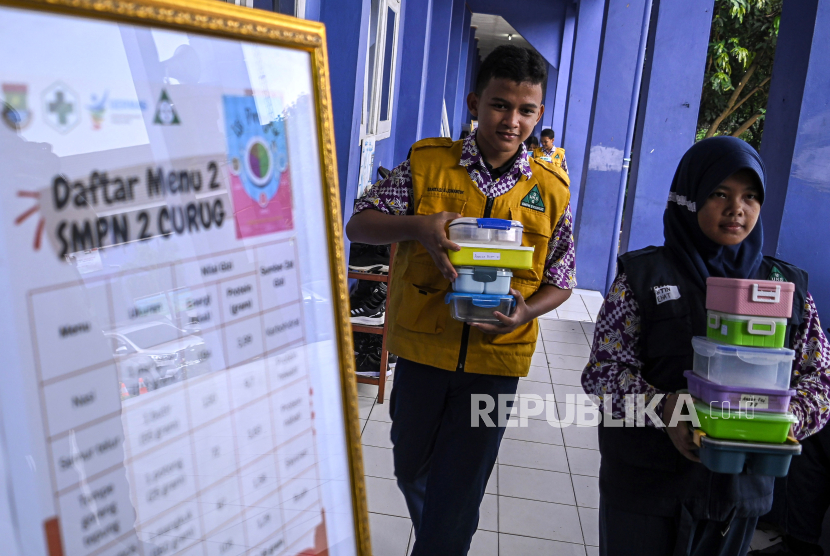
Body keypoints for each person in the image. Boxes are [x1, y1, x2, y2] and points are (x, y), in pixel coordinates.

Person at [346, 45, 576, 555]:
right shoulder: (429, 165)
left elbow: (562, 277)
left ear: (540, 114)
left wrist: (527, 310)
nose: (511, 121)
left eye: (526, 110)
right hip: (423, 351)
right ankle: (441, 537)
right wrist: (418, 228)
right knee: (411, 469)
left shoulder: (551, 189)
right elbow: (358, 223)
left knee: (461, 490)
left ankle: (440, 543)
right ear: (474, 103)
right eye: (499, 104)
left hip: (496, 359)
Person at [580, 136, 830, 556]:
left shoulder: (785, 288)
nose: (738, 209)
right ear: (689, 198)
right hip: (646, 489)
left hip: (738, 492)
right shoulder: (643, 278)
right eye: (719, 194)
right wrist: (665, 409)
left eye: (751, 197)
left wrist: (786, 421)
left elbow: (820, 380)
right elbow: (603, 375)